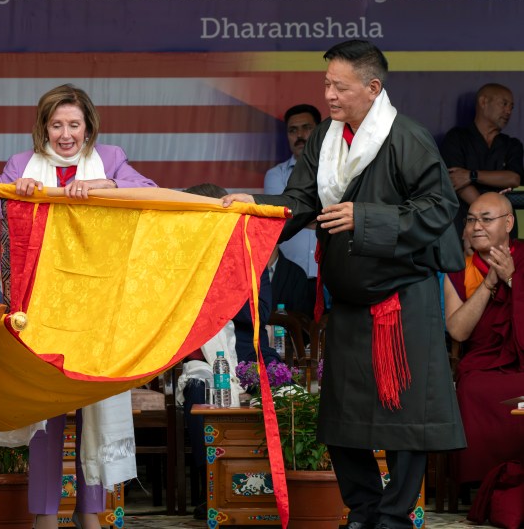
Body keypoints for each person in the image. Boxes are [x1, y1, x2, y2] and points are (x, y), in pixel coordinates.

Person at [224, 40, 466, 529]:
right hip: (350, 302)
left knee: (403, 421)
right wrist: (251, 207)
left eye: (339, 85)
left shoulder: (407, 137)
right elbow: (300, 200)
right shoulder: (326, 139)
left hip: (402, 300)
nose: (328, 95)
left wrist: (366, 217)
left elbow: (440, 208)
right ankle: (363, 511)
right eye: (326, 84)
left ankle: (395, 518)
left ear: (373, 88)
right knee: (342, 420)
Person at [0, 84, 155, 529]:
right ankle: (44, 518)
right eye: (56, 125)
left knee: (96, 414)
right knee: (44, 423)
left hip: (93, 310)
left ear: (89, 128)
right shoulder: (20, 164)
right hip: (40, 311)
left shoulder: (110, 158)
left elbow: (149, 193)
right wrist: (11, 190)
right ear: (42, 128)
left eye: (74, 125)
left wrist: (110, 184)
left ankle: (90, 516)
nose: (65, 135)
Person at [444, 192, 524, 486]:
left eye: (486, 219)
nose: (476, 226)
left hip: (521, 362)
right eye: (471, 220)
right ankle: (481, 483)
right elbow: (458, 331)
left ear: (508, 223)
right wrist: (491, 280)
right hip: (483, 365)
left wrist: (513, 280)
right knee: (474, 390)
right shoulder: (458, 271)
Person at [440, 83, 523, 236]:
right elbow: (456, 181)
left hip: (503, 229)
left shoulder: (512, 144)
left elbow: (513, 178)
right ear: (484, 102)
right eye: (504, 104)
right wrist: (489, 214)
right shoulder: (456, 137)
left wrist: (471, 175)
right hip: (464, 225)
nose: (508, 111)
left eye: (512, 107)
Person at [263, 104, 322, 281]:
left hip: (329, 277)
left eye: (306, 128)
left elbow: (295, 213)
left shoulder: (337, 173)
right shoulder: (275, 175)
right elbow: (282, 215)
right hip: (290, 278)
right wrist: (327, 219)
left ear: (319, 132)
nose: (299, 136)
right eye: (293, 130)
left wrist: (299, 213)